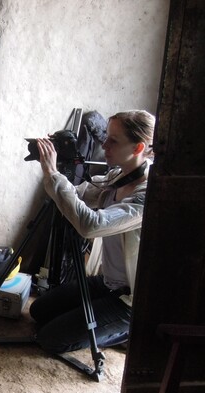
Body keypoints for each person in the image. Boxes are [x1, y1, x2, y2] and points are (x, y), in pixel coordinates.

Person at [29, 110, 155, 354]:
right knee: (39, 311)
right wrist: (64, 159)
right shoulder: (117, 176)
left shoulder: (146, 195)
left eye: (113, 140)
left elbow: (91, 225)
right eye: (106, 137)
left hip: (129, 299)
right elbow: (78, 193)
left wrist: (54, 175)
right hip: (108, 282)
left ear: (138, 147)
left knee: (50, 339)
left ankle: (126, 331)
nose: (104, 145)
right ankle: (102, 324)